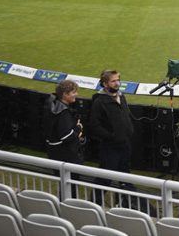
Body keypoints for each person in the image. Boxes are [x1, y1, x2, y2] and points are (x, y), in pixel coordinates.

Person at [89, 70, 135, 206]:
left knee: (125, 176)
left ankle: (123, 204)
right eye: (113, 81)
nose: (117, 83)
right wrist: (112, 137)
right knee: (105, 178)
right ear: (104, 84)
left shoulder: (122, 96)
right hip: (110, 147)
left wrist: (129, 131)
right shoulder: (99, 102)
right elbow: (95, 126)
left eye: (117, 80)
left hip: (125, 144)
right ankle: (94, 205)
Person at [46, 79, 84, 198]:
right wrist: (78, 129)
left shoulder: (53, 106)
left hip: (55, 153)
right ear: (65, 94)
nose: (76, 94)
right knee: (69, 186)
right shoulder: (63, 112)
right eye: (73, 92)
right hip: (65, 155)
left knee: (65, 185)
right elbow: (66, 136)